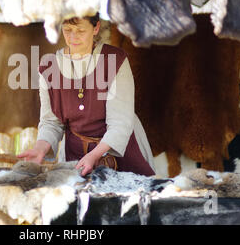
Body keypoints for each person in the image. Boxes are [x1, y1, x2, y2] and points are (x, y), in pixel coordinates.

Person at [17, 13, 155, 177]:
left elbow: (120, 123)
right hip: (74, 154)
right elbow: (51, 122)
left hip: (122, 153)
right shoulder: (48, 68)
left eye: (80, 30)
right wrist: (39, 149)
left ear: (96, 28)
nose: (73, 37)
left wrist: (95, 155)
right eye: (67, 29)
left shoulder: (115, 60)